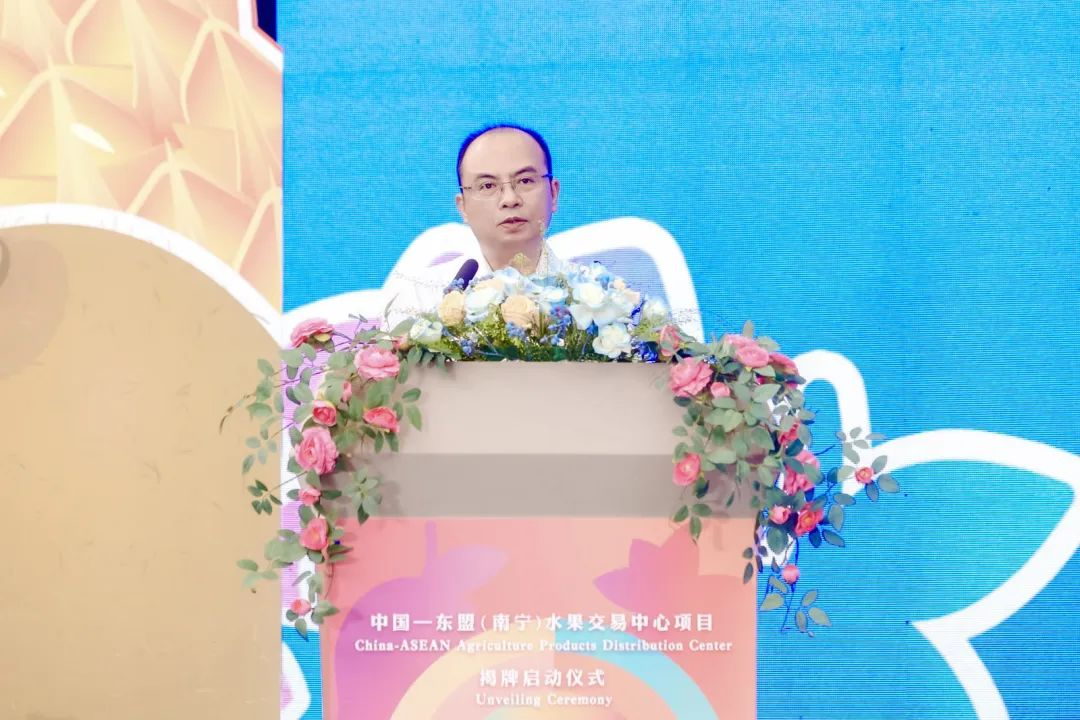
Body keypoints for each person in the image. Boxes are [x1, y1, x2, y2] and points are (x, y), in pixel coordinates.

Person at [383, 124, 568, 328]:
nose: (510, 199)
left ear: (553, 194)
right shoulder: (421, 297)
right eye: (487, 186)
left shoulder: (588, 297)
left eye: (525, 181)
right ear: (463, 207)